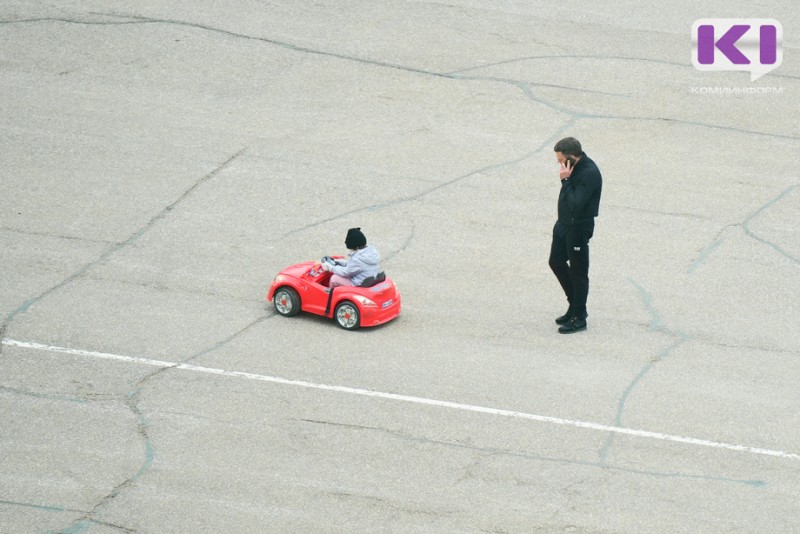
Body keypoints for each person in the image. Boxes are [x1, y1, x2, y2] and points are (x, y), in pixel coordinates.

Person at [549, 137, 603, 334]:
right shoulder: (572, 168)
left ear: (571, 157)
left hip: (579, 228)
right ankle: (574, 304)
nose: (558, 162)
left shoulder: (589, 173)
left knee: (578, 272)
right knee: (556, 262)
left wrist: (565, 180)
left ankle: (580, 316)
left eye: (560, 159)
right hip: (563, 224)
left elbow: (576, 203)